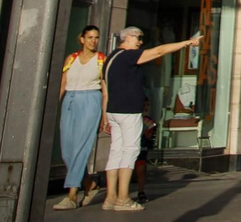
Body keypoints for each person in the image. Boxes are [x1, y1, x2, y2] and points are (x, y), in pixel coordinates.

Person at [102, 27, 199, 211]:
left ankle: (110, 197)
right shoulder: (128, 56)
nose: (140, 42)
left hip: (114, 110)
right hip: (128, 110)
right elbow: (159, 51)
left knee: (116, 151)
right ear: (127, 37)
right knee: (130, 151)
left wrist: (105, 116)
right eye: (138, 38)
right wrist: (186, 43)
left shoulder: (111, 57)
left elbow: (105, 90)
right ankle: (123, 199)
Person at [53, 26, 106, 209]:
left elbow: (105, 89)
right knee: (67, 150)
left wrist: (104, 115)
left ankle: (72, 195)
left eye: (96, 37)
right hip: (70, 100)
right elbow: (63, 82)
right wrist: (53, 106)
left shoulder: (101, 59)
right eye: (90, 37)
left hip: (90, 100)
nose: (93, 41)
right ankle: (89, 184)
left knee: (80, 148)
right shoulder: (72, 58)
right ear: (82, 39)